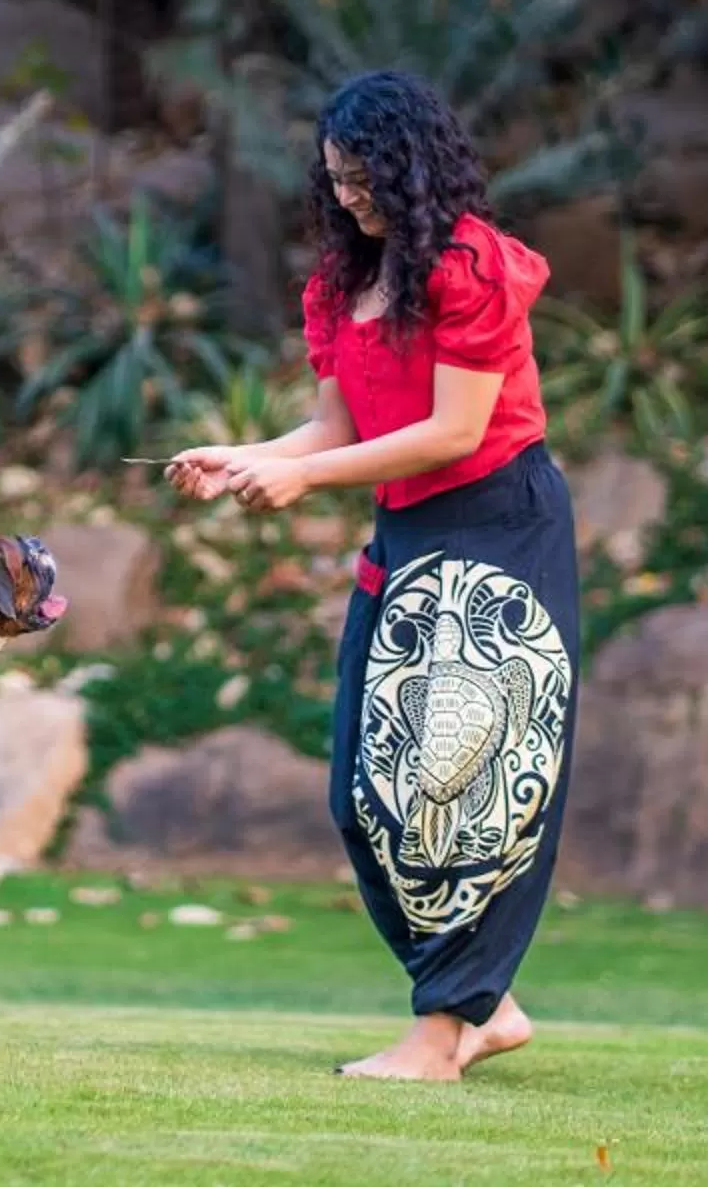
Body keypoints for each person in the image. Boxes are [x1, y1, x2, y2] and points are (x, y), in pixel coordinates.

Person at [167, 71, 577, 1083]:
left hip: (498, 526)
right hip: (405, 533)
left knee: (459, 791)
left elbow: (453, 429)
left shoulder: (470, 266)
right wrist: (249, 454)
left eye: (364, 175)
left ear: (414, 164)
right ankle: (489, 1000)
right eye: (335, 176)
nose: (348, 194)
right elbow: (338, 428)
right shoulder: (340, 286)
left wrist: (302, 473)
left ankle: (442, 1030)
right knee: (362, 793)